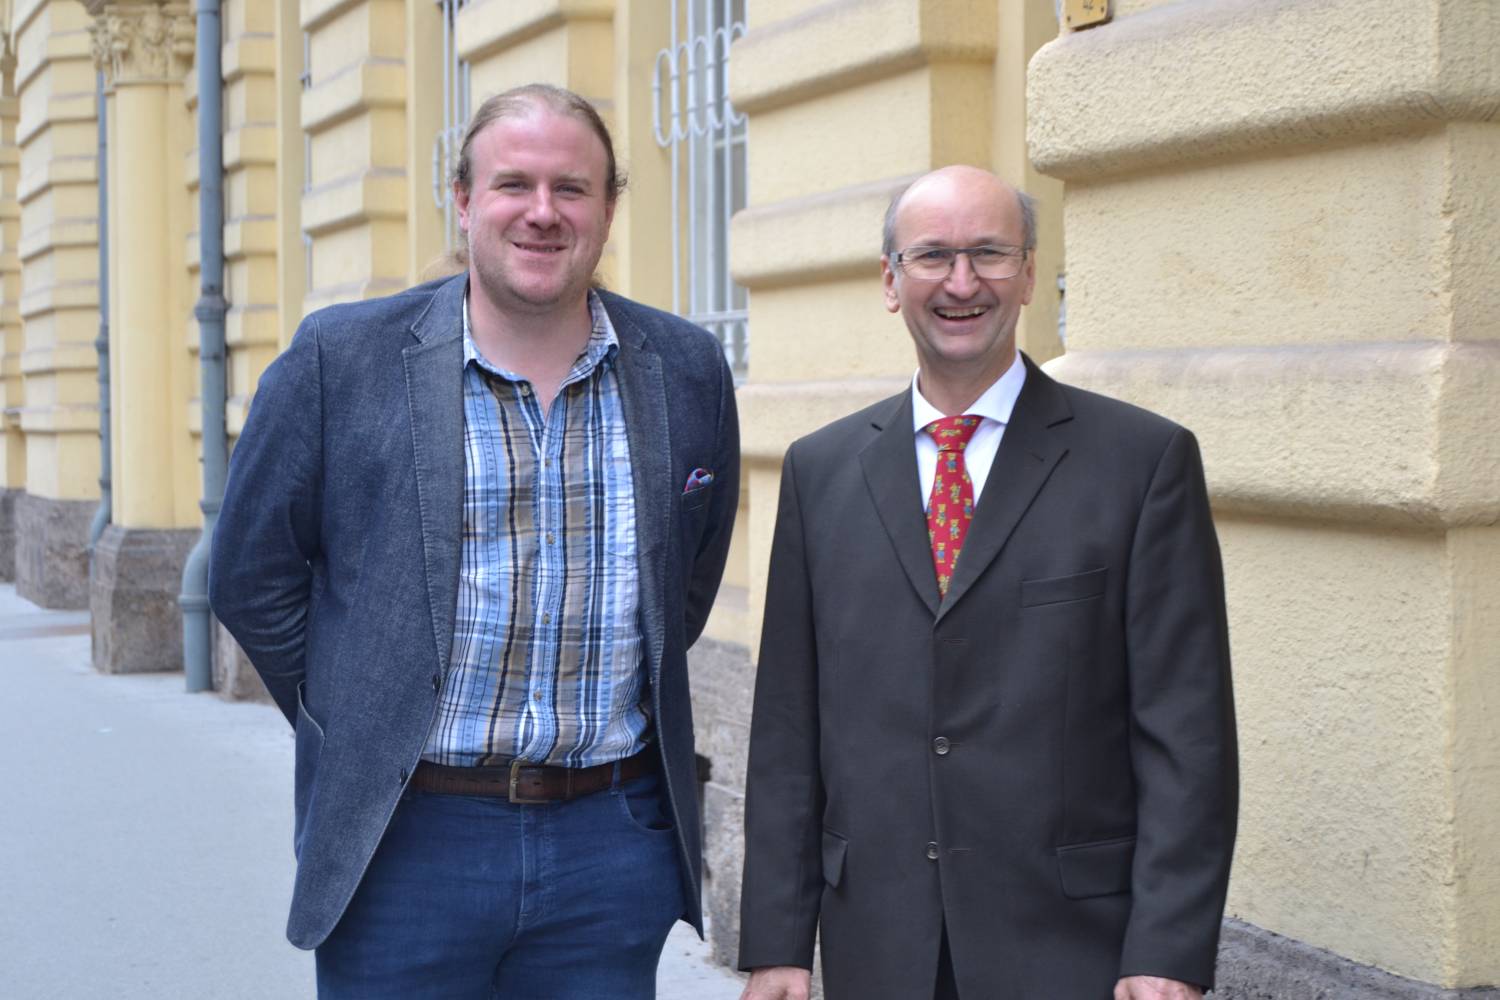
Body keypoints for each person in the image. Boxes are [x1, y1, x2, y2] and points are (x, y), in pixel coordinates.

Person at [209, 83, 739, 999]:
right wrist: (359, 704)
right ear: (462, 200)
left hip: (607, 845)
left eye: (572, 189)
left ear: (609, 206)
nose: (543, 212)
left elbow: (684, 585)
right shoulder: (343, 359)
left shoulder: (684, 368)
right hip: (408, 841)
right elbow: (251, 576)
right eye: (513, 185)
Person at [736, 165, 1237, 1000]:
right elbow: (789, 725)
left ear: (1031, 273)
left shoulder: (1141, 463)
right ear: (891, 282)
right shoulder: (819, 472)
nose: (962, 282)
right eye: (932, 255)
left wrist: (1168, 950)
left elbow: (1186, 735)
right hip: (878, 943)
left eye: (990, 254)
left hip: (1073, 948)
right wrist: (778, 943)